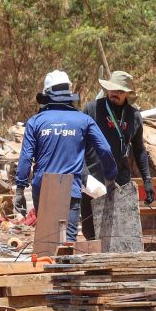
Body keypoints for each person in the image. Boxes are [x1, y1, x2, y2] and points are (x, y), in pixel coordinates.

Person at [15, 70, 118, 243]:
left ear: (47, 94)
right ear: (69, 94)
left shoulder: (35, 121)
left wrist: (19, 189)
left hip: (43, 189)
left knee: (47, 240)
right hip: (70, 188)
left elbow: (26, 158)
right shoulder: (83, 120)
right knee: (68, 242)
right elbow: (106, 150)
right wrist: (110, 178)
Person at [80, 70, 154, 239]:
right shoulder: (92, 109)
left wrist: (147, 180)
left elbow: (139, 149)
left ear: (128, 93)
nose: (115, 93)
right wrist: (83, 174)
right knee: (90, 230)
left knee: (117, 229)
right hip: (93, 178)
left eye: (120, 91)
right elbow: (79, 145)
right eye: (112, 89)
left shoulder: (134, 116)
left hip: (120, 180)